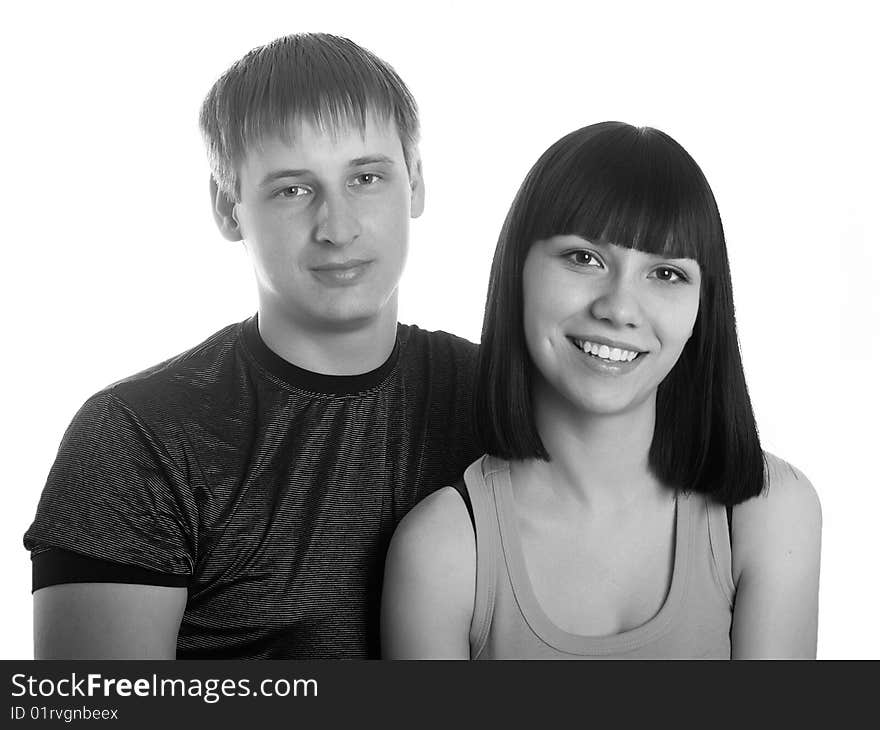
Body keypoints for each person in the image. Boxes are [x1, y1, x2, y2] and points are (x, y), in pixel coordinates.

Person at [24, 33, 482, 659]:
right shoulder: (138, 435)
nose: (337, 228)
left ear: (417, 184)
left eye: (367, 177)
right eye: (293, 189)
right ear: (227, 207)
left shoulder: (497, 398)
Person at [381, 122, 822, 659]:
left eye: (665, 273)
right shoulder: (443, 551)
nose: (618, 308)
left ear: (704, 309)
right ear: (516, 270)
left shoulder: (769, 511)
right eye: (584, 258)